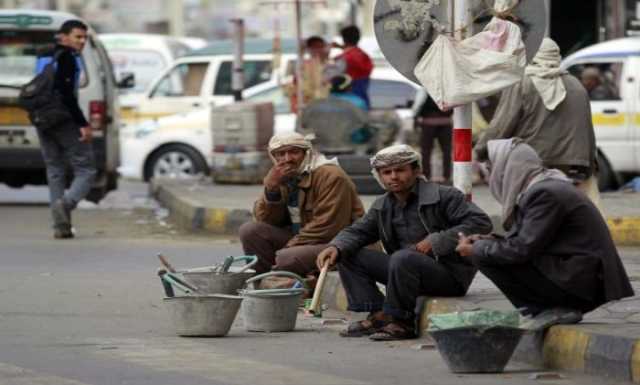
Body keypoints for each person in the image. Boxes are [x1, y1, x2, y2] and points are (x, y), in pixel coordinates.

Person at [316, 145, 492, 340]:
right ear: (380, 177)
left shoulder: (445, 195)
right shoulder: (382, 204)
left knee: (404, 257)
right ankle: (378, 315)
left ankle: (402, 323)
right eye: (387, 172)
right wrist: (335, 246)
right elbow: (359, 231)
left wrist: (437, 240)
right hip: (402, 270)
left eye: (400, 170)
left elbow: (480, 223)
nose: (393, 177)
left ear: (416, 171)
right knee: (348, 253)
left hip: (449, 276)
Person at [457, 139, 634, 329]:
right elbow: (529, 239)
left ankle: (547, 309)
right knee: (485, 250)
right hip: (578, 275)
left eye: (493, 168)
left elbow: (521, 249)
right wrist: (486, 240)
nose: (490, 176)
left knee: (482, 255)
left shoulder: (544, 193)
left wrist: (478, 248)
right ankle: (548, 308)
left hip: (580, 282)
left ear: (509, 168)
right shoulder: (544, 186)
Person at [474, 38, 602, 212]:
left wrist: (481, 150)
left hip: (532, 166)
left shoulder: (523, 82)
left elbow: (502, 124)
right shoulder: (576, 85)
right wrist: (588, 165)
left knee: (530, 215)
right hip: (571, 167)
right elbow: (587, 130)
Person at [239, 132, 364, 277]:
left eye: (294, 152)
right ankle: (264, 290)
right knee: (250, 231)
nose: (287, 159)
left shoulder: (331, 175)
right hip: (304, 240)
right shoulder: (282, 175)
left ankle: (280, 285)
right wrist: (272, 190)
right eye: (280, 154)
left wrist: (288, 247)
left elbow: (327, 227)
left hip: (339, 243)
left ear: (307, 153)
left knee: (287, 257)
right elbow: (266, 221)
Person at [34, 20, 96, 239]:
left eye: (84, 37)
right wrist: (83, 124)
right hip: (63, 119)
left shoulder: (43, 55)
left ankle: (60, 227)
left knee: (55, 170)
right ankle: (66, 205)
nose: (82, 41)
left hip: (41, 118)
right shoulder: (68, 57)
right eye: (78, 37)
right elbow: (67, 95)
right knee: (86, 169)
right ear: (65, 37)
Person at [285, 36, 334, 113]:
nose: (317, 50)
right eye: (313, 47)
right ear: (309, 49)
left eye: (320, 47)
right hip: (308, 109)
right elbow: (294, 84)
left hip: (329, 109)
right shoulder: (303, 65)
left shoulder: (332, 65)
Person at [333, 26, 373, 108]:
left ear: (343, 39)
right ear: (358, 38)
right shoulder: (364, 55)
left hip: (345, 103)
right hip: (362, 100)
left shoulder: (344, 58)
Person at [415, 94, 452, 183]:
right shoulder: (446, 90)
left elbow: (418, 106)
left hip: (428, 123)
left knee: (426, 151)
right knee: (447, 151)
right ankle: (447, 176)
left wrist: (416, 118)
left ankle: (426, 176)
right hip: (445, 122)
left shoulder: (425, 90)